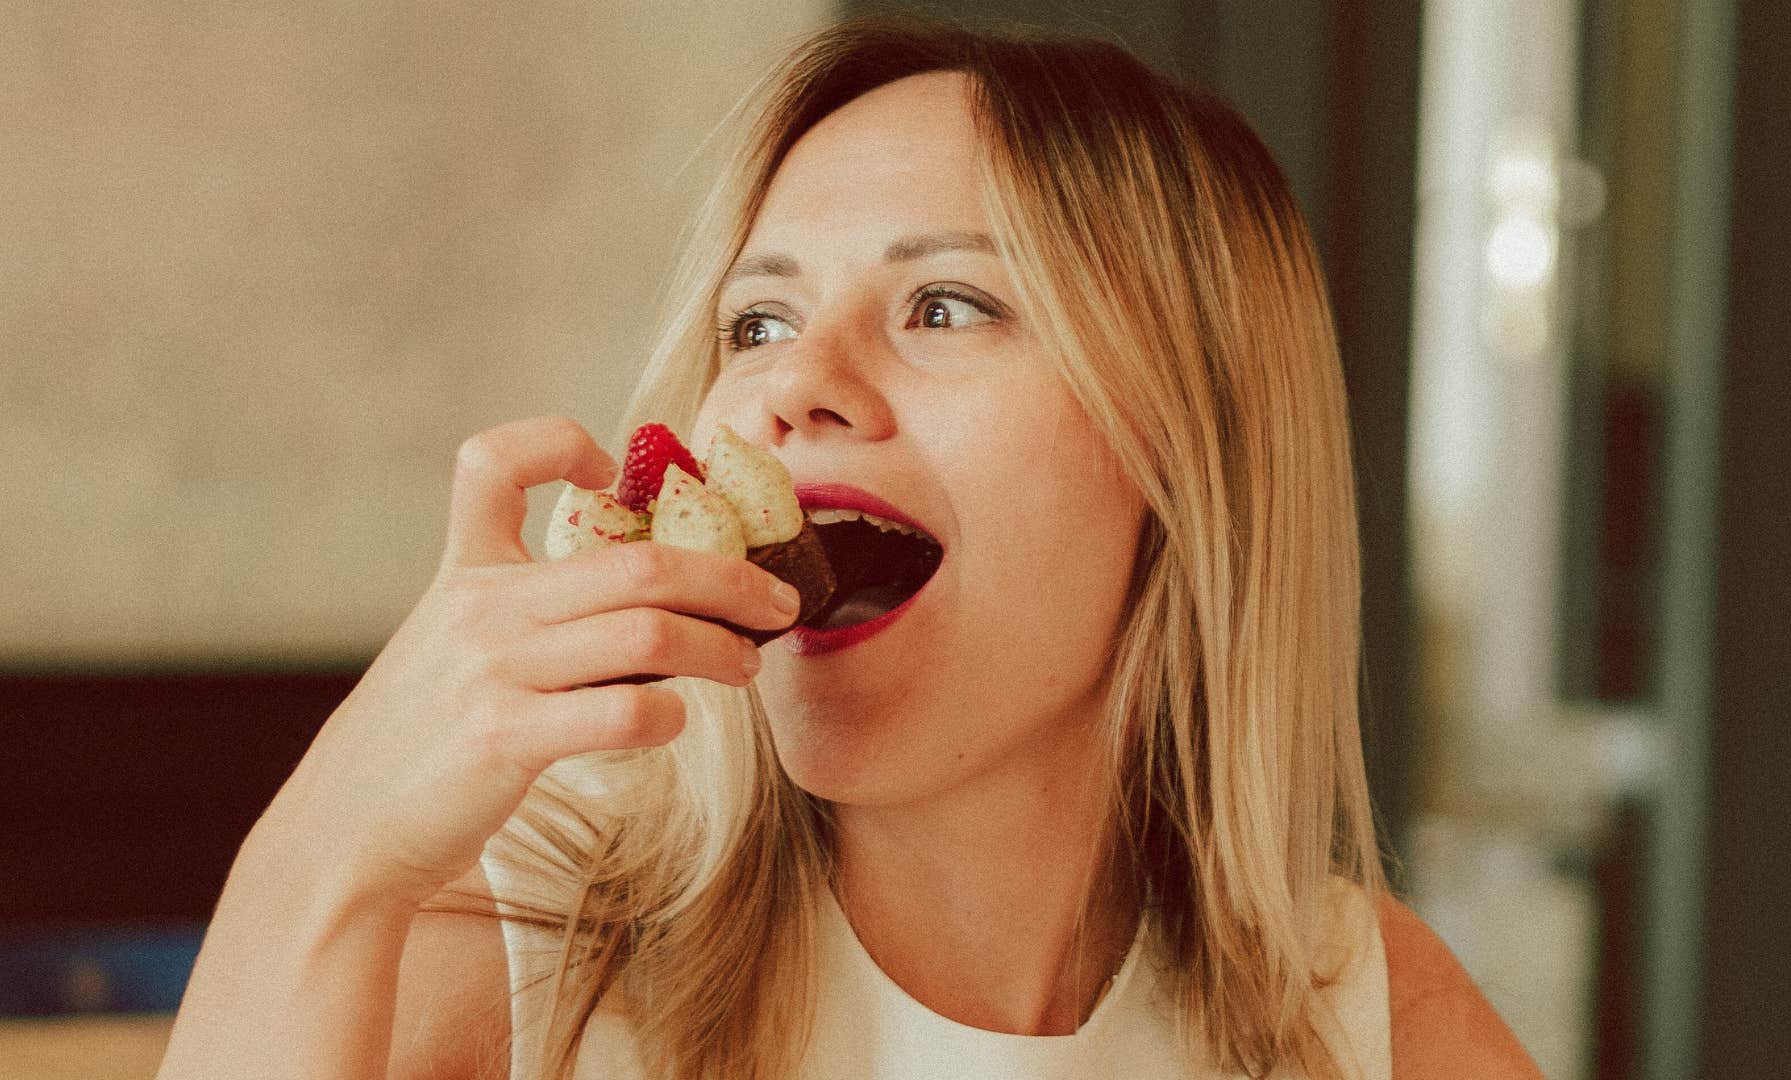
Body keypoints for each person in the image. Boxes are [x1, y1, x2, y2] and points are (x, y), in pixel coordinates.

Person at [157, 16, 1543, 1080]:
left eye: (945, 306)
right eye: (755, 324)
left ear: (1192, 457)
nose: (787, 384)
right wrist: (326, 849)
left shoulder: (1356, 1012)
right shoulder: (513, 959)